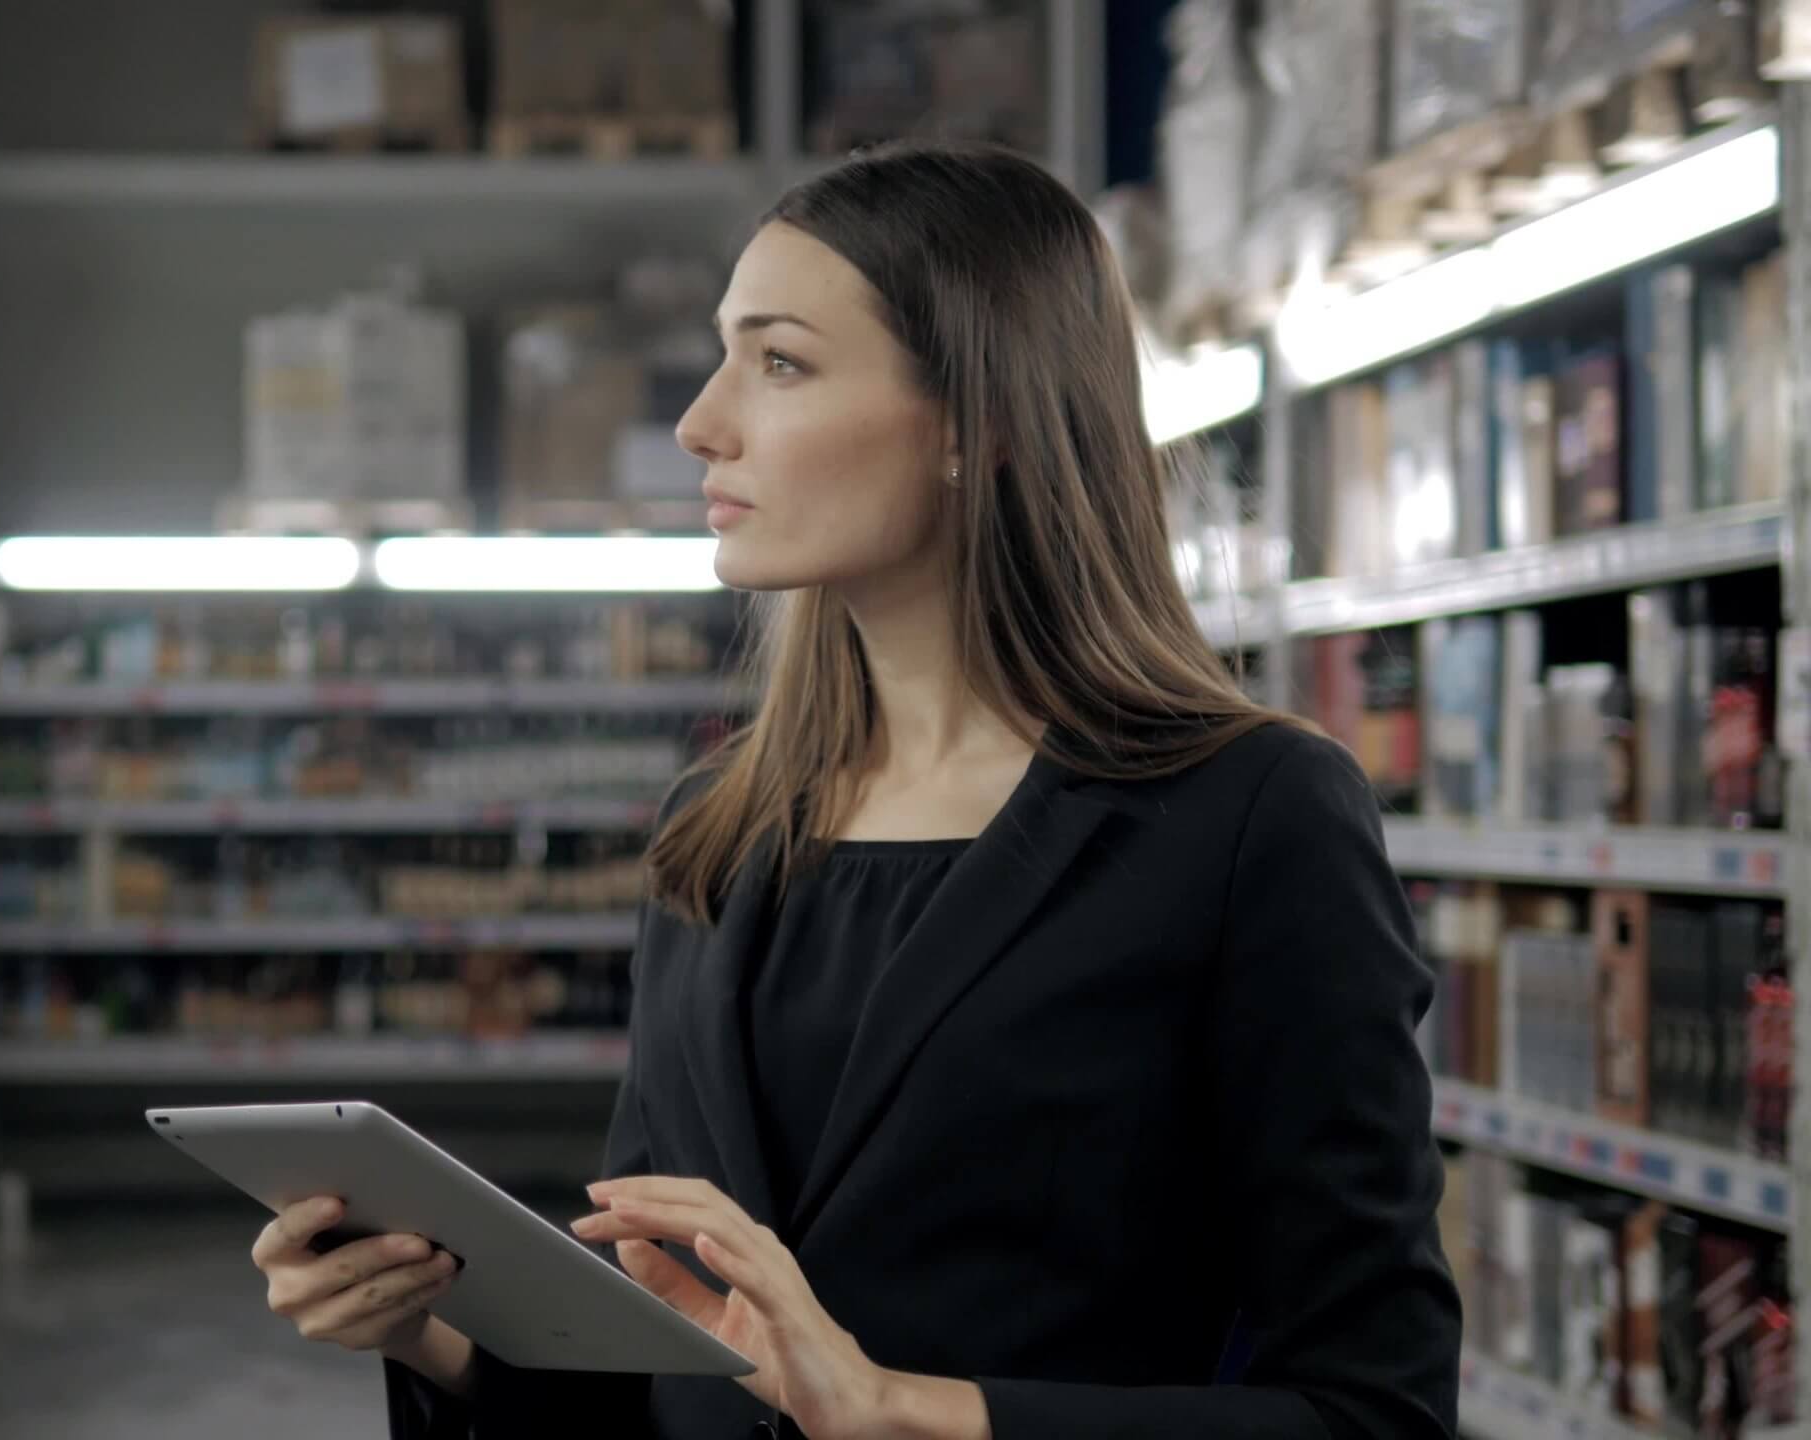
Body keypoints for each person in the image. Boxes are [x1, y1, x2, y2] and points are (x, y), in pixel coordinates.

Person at [250, 142, 1460, 1440]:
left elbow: (1372, 1413)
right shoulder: (713, 836)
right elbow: (668, 1361)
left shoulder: (1249, 820)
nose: (698, 422)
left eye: (779, 362)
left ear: (978, 425)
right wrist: (426, 1331)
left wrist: (897, 1412)